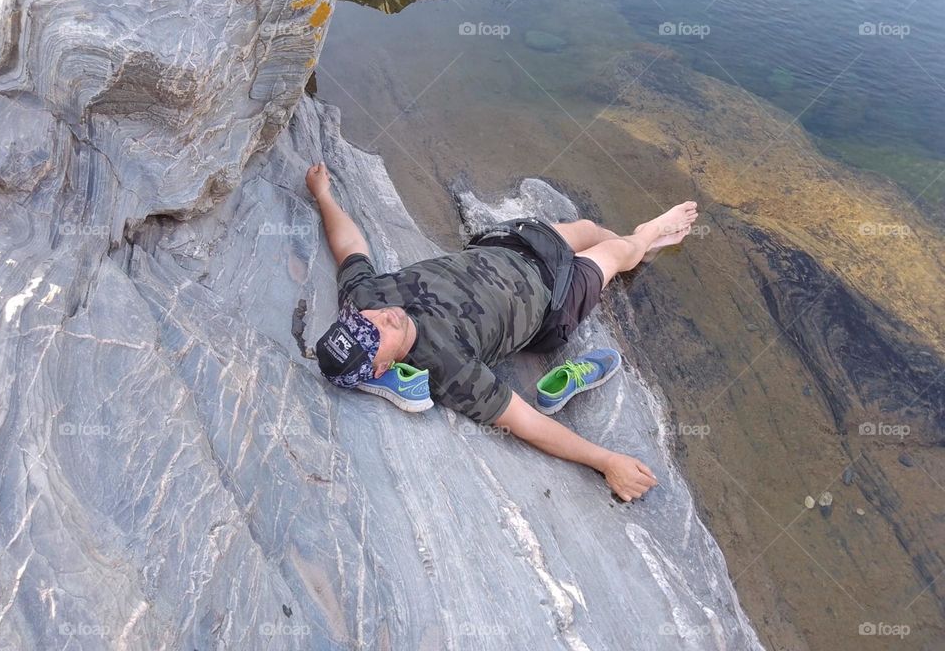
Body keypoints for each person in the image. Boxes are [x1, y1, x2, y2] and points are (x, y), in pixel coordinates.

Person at [300, 162, 699, 502]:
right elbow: (528, 423)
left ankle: (631, 247)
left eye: (365, 318)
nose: (383, 317)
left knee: (589, 228)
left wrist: (323, 195)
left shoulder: (365, 296)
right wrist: (606, 462)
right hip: (553, 299)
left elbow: (348, 243)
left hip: (509, 246)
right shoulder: (448, 369)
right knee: (616, 254)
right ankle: (646, 236)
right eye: (376, 335)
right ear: (381, 367)